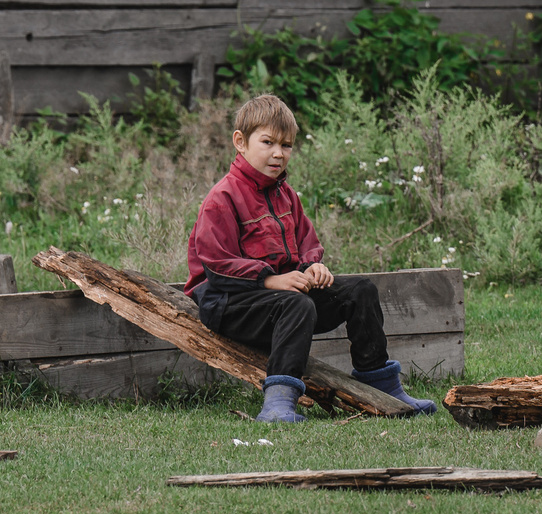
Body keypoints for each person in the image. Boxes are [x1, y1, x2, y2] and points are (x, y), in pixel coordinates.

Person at [185, 91, 439, 424]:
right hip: (229, 304)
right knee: (296, 303)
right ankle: (278, 402)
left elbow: (306, 242)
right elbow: (216, 265)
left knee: (361, 290)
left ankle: (381, 385)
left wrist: (312, 266)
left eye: (286, 145)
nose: (278, 153)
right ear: (240, 142)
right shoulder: (222, 197)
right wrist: (271, 279)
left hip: (279, 301)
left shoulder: (286, 195)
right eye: (268, 143)